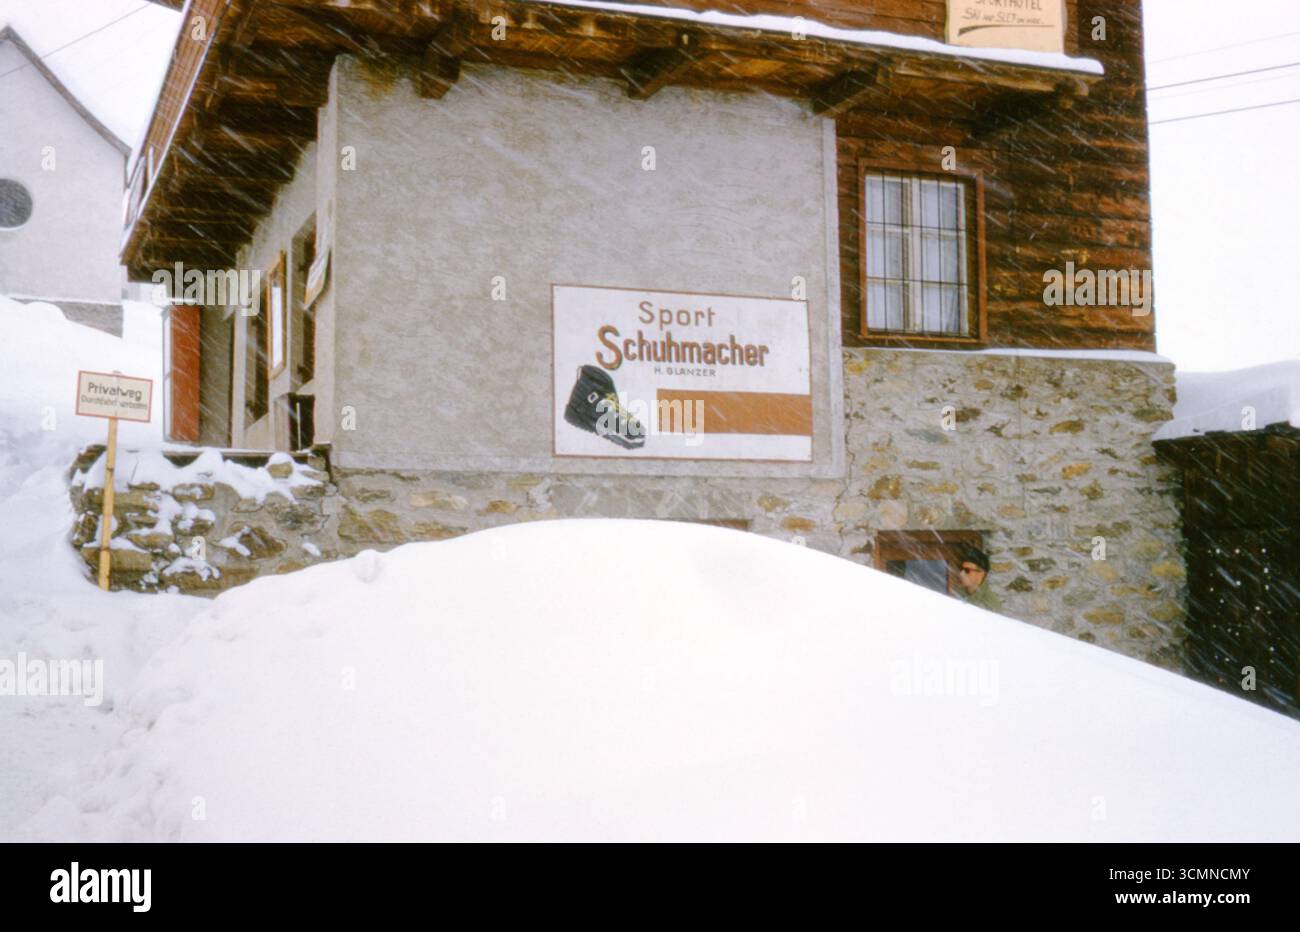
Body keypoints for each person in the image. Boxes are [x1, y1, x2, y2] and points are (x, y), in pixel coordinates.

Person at [955, 546, 1003, 613]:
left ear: (980, 574)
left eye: (967, 570)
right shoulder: (957, 591)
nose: (961, 574)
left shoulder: (989, 606)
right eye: (961, 568)